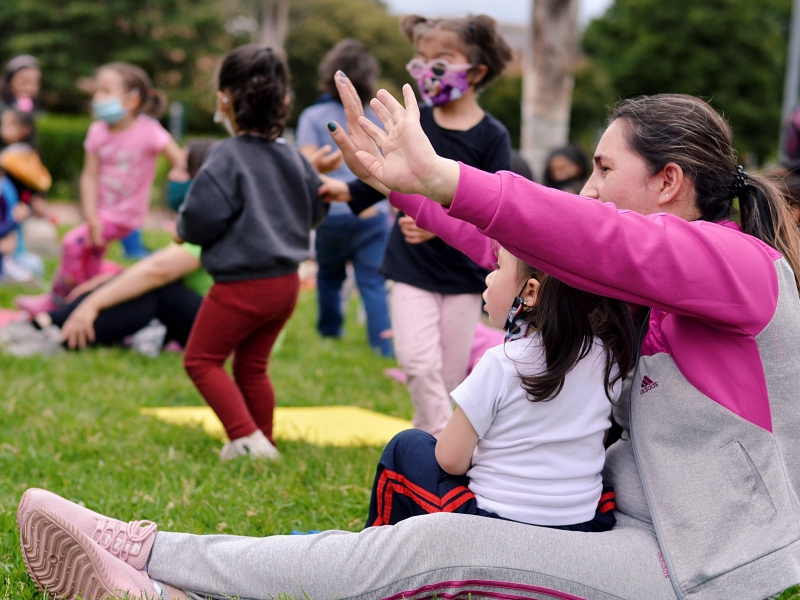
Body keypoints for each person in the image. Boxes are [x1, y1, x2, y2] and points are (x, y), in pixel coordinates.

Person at [16, 89, 800, 600]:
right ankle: (168, 575)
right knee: (416, 532)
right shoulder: (651, 281)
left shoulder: (743, 270)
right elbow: (534, 248)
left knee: (430, 549)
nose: (588, 189)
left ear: (667, 183)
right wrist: (413, 185)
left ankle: (152, 563)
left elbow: (588, 237)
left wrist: (452, 179)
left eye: (602, 169)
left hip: (697, 569)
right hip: (627, 530)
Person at [322, 14, 514, 437]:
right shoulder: (415, 123)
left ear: (477, 71)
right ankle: (441, 445)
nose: (427, 71)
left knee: (446, 376)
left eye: (441, 60)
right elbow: (389, 176)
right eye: (420, 60)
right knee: (416, 362)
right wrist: (344, 191)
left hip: (464, 275)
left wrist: (438, 223)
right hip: (409, 267)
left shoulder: (493, 137)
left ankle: (428, 441)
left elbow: (497, 208)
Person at [365, 240, 634, 531]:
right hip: (580, 524)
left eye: (498, 266)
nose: (489, 277)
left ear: (530, 292)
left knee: (408, 446)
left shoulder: (501, 362)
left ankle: (378, 545)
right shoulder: (607, 360)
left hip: (492, 525)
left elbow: (450, 459)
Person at [177, 44, 326, 462]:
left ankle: (246, 439)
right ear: (284, 101)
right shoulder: (294, 157)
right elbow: (316, 210)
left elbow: (200, 217)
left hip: (242, 286)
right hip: (285, 285)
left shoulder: (225, 155)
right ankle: (265, 442)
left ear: (224, 99)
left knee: (201, 359)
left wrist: (183, 229)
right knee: (252, 366)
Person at [15, 62, 184, 315]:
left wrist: (182, 185)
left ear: (132, 100)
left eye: (106, 91)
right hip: (101, 214)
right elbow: (89, 177)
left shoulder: (150, 131)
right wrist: (91, 217)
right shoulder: (97, 132)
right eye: (98, 91)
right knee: (89, 257)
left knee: (73, 243)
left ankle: (57, 301)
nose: (97, 97)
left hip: (124, 216)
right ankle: (98, 291)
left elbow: (181, 161)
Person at [297, 39, 394, 358]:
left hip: (332, 213)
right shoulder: (376, 116)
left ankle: (329, 333)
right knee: (373, 282)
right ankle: (382, 345)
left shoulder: (313, 116)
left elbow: (306, 165)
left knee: (329, 277)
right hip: (373, 215)